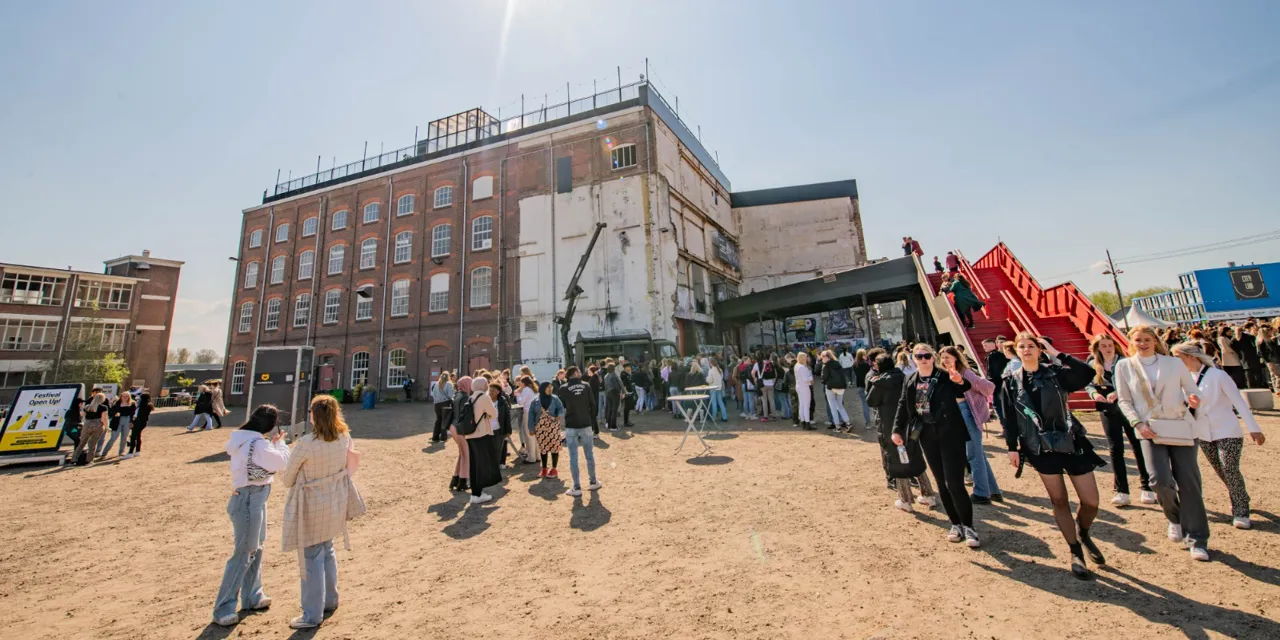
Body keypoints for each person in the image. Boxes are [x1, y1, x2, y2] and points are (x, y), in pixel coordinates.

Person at [999, 333, 1105, 578]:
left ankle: (1084, 532)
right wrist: (1011, 447)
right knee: (1059, 500)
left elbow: (1087, 373)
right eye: (1021, 347)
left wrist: (1057, 353)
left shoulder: (1055, 373)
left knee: (1091, 501)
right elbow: (1010, 418)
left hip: (1069, 439)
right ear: (1016, 351)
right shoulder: (1010, 382)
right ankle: (1075, 550)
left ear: (1039, 349)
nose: (1026, 350)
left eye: (1031, 346)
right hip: (1038, 446)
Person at [1115, 325, 1211, 562]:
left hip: (1178, 424)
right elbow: (1124, 400)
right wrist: (1137, 423)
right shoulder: (1124, 366)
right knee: (1159, 480)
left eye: (1148, 339)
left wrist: (1194, 399)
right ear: (1131, 342)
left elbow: (1191, 390)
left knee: (1189, 481)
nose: (1143, 343)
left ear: (1155, 340)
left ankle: (1197, 538)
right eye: (1138, 340)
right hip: (1149, 428)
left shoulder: (1173, 364)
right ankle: (1174, 517)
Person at [280, 395, 365, 629]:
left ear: (314, 415)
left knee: (311, 556)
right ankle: (330, 600)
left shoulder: (306, 443)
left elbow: (288, 479)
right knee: (327, 549)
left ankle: (311, 614)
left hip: (312, 502)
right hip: (335, 499)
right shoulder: (344, 437)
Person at [892, 343, 981, 548]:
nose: (923, 359)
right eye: (919, 356)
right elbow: (903, 405)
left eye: (927, 356)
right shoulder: (910, 379)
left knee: (955, 483)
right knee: (941, 483)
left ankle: (969, 527)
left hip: (950, 434)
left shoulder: (944, 375)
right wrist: (896, 429)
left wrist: (959, 380)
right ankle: (955, 524)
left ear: (933, 358)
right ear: (913, 359)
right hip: (927, 434)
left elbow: (963, 387)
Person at [212, 405, 291, 627]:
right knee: (244, 552)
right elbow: (282, 462)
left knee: (256, 547)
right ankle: (223, 607)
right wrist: (281, 444)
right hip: (249, 498)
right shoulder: (257, 444)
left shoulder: (245, 440)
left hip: (255, 497)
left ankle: (252, 596)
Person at [1171, 342, 1265, 529]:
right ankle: (1240, 495)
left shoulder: (1218, 375)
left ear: (1191, 357)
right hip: (1203, 432)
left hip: (1227, 430)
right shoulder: (1183, 380)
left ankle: (1241, 510)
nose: (1175, 363)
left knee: (1229, 466)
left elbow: (1238, 401)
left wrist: (1253, 427)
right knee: (1221, 470)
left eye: (1178, 358)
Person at [1086, 335, 1153, 507]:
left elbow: (1136, 383)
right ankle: (1122, 490)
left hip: (1129, 408)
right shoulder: (1093, 364)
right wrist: (1094, 394)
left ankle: (1147, 486)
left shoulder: (1126, 362)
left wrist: (1119, 392)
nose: (1108, 348)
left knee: (1137, 445)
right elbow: (1088, 383)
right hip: (1108, 409)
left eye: (1110, 345)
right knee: (1115, 448)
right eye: (1104, 346)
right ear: (1097, 348)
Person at [868, 353, 936, 512]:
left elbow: (871, 401)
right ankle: (928, 494)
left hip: (890, 424)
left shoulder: (880, 383)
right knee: (915, 455)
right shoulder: (907, 377)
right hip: (909, 424)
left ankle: (905, 499)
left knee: (897, 460)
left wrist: (874, 385)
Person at [939, 346, 1002, 504]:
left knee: (973, 453)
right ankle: (993, 490)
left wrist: (970, 391)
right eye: (942, 358)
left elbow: (988, 387)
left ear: (956, 358)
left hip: (967, 411)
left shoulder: (965, 372)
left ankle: (981, 493)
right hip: (957, 413)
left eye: (948, 357)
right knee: (977, 452)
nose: (945, 361)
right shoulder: (944, 374)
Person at [556, 367, 601, 497]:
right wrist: (592, 421)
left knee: (573, 457)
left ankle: (576, 486)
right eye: (579, 372)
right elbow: (593, 405)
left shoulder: (563, 388)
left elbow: (562, 405)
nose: (581, 374)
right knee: (589, 454)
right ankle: (593, 481)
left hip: (571, 424)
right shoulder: (586, 386)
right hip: (585, 423)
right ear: (575, 373)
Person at [462, 379, 502, 505]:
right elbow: (494, 413)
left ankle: (475, 493)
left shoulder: (471, 397)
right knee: (482, 464)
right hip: (482, 433)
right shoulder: (484, 397)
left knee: (474, 465)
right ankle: (478, 493)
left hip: (470, 434)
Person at [529, 380, 565, 477]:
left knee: (554, 447)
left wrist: (559, 415)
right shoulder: (535, 401)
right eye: (548, 387)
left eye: (551, 387)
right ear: (542, 389)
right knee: (543, 448)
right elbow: (531, 415)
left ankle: (554, 469)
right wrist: (531, 428)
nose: (550, 389)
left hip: (553, 426)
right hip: (540, 427)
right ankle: (544, 469)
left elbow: (561, 408)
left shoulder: (555, 398)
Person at [448, 377, 473, 493]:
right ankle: (463, 481)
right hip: (460, 428)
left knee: (461, 454)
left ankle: (455, 478)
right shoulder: (465, 397)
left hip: (453, 427)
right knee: (465, 455)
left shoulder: (456, 395)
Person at [72, 391, 108, 466]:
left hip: (87, 425)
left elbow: (83, 414)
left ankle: (74, 459)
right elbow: (104, 418)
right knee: (92, 444)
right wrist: (107, 427)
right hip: (97, 426)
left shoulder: (88, 406)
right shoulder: (103, 407)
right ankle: (89, 460)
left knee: (82, 443)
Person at [820, 350, 851, 431]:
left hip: (830, 387)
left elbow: (824, 378)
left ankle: (837, 426)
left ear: (826, 357)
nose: (821, 358)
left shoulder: (826, 365)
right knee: (840, 406)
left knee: (833, 407)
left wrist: (823, 381)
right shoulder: (838, 363)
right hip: (841, 387)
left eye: (822, 357)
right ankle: (848, 423)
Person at [98, 391, 135, 459]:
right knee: (113, 437)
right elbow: (111, 412)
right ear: (121, 396)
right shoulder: (117, 404)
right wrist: (115, 414)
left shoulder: (132, 404)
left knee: (124, 437)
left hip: (127, 420)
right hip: (117, 421)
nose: (125, 398)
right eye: (124, 396)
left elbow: (133, 414)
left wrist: (131, 422)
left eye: (127, 396)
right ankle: (104, 453)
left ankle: (121, 452)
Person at [513, 376, 539, 465]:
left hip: (528, 412)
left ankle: (531, 457)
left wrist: (518, 395)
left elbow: (521, 402)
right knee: (535, 435)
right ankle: (537, 455)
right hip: (535, 412)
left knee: (529, 435)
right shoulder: (534, 389)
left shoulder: (525, 390)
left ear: (523, 383)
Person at [125, 392, 153, 458]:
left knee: (133, 437)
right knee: (137, 436)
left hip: (138, 422)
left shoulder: (142, 406)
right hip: (143, 423)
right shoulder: (148, 405)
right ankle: (137, 451)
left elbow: (138, 416)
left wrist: (133, 422)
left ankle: (130, 452)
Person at [430, 372, 454, 443]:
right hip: (445, 403)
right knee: (444, 420)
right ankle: (443, 438)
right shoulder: (449, 384)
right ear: (448, 377)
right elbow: (450, 395)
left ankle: (435, 437)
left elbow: (433, 395)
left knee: (438, 420)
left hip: (436, 404)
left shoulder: (436, 384)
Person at [851, 349, 871, 428]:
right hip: (868, 386)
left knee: (864, 404)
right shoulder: (867, 365)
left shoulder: (855, 365)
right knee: (875, 405)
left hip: (860, 386)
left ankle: (868, 423)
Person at [794, 352, 815, 430]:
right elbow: (806, 379)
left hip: (799, 386)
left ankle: (803, 422)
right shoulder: (802, 367)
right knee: (806, 406)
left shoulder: (796, 365)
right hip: (804, 387)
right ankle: (807, 423)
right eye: (806, 357)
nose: (807, 359)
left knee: (802, 405)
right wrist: (811, 379)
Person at [1257, 324, 1280, 390]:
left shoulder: (1264, 341)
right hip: (1273, 360)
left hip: (1272, 360)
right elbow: (1263, 353)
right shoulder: (1265, 341)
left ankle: (1276, 389)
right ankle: (1278, 389)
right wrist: (1268, 361)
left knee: (1275, 375)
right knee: (1277, 375)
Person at [603, 363, 624, 432]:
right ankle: (613, 426)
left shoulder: (606, 376)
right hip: (615, 393)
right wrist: (622, 392)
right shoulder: (614, 375)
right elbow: (619, 384)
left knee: (609, 410)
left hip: (608, 393)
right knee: (614, 410)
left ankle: (608, 424)